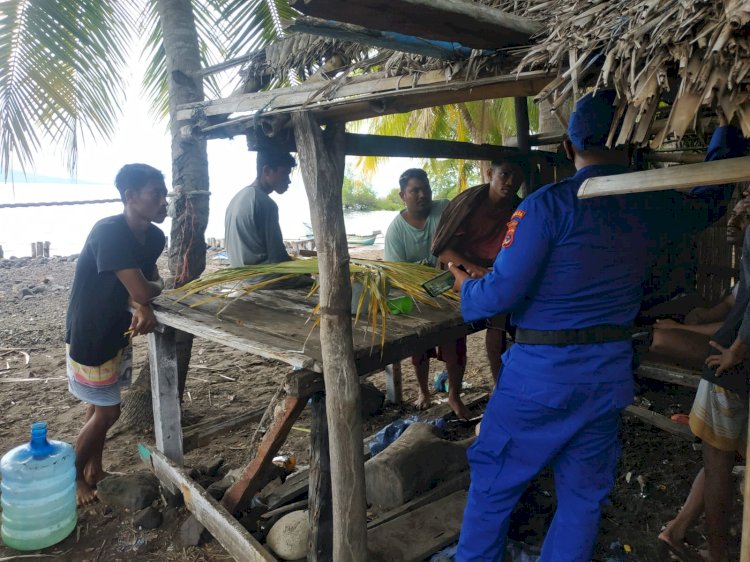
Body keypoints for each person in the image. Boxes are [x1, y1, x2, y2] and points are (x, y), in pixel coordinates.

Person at [448, 90, 745, 561]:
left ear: (567, 149)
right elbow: (709, 202)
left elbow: (499, 295)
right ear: (628, 145)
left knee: (493, 489)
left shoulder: (547, 206)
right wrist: (729, 129)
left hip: (538, 380)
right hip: (605, 377)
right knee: (582, 501)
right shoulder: (647, 203)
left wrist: (466, 288)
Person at [65, 164, 168, 506]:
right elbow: (144, 286)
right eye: (156, 194)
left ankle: (95, 469)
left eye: (164, 194)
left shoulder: (154, 236)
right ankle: (73, 477)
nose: (163, 201)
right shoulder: (108, 231)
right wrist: (151, 294)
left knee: (98, 406)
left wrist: (143, 305)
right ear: (131, 196)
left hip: (117, 330)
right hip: (92, 332)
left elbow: (139, 286)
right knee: (108, 413)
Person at [384, 168, 471, 417]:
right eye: (415, 191)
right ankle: (424, 391)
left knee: (455, 343)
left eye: (426, 189)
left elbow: (462, 223)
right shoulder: (396, 232)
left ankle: (454, 394)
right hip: (415, 298)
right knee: (419, 347)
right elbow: (397, 275)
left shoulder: (442, 208)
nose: (422, 195)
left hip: (448, 292)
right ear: (403, 195)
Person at [432, 158, 523, 382]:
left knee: (498, 323)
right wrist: (475, 269)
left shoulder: (518, 208)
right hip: (455, 274)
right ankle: (454, 393)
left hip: (492, 274)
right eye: (505, 174)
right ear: (490, 173)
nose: (511, 182)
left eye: (516, 178)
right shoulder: (468, 204)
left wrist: (492, 273)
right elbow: (443, 250)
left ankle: (498, 384)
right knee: (454, 334)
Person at [650, 197, 750, 370]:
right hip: (732, 338)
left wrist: (681, 328)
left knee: (660, 340)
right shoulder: (745, 270)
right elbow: (728, 305)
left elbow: (738, 326)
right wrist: (703, 316)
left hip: (739, 349)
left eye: (745, 216)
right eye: (733, 215)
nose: (733, 222)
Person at [225, 149, 297, 267]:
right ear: (267, 171)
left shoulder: (237, 198)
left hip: (241, 275)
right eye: (284, 173)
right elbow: (277, 257)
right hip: (261, 278)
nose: (288, 181)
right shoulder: (265, 203)